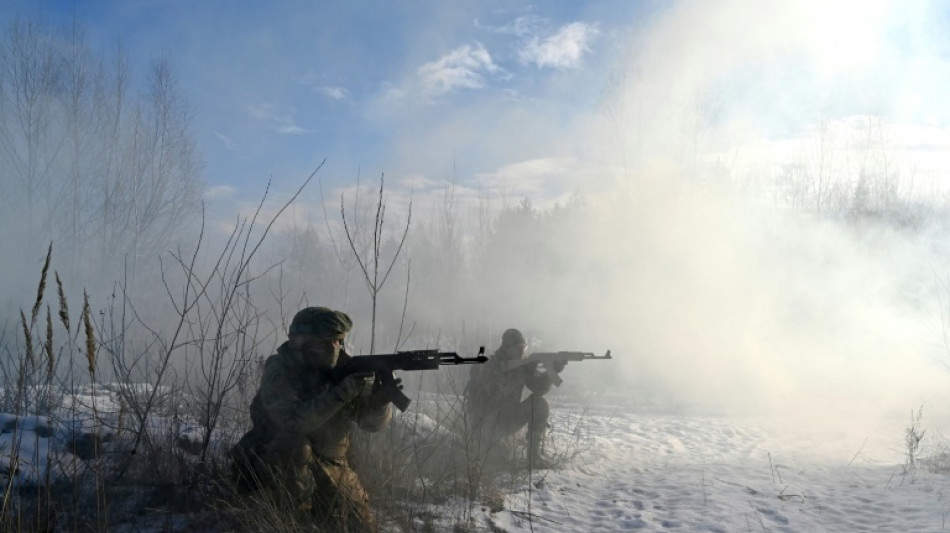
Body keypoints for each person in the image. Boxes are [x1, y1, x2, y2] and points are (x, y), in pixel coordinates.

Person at [229, 306, 392, 532]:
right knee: (294, 445)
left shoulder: (346, 369)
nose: (333, 349)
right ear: (300, 342)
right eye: (324, 342)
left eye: (337, 342)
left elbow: (370, 424)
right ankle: (288, 521)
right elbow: (293, 422)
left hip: (332, 464)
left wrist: (380, 403)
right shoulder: (280, 369)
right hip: (277, 461)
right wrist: (342, 392)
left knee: (361, 527)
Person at [464, 328, 566, 469]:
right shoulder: (489, 366)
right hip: (485, 427)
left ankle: (533, 459)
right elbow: (496, 393)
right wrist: (521, 371)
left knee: (540, 405)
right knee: (492, 463)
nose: (522, 352)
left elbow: (539, 389)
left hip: (507, 420)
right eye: (518, 348)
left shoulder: (521, 365)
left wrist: (552, 371)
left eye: (524, 348)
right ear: (507, 349)